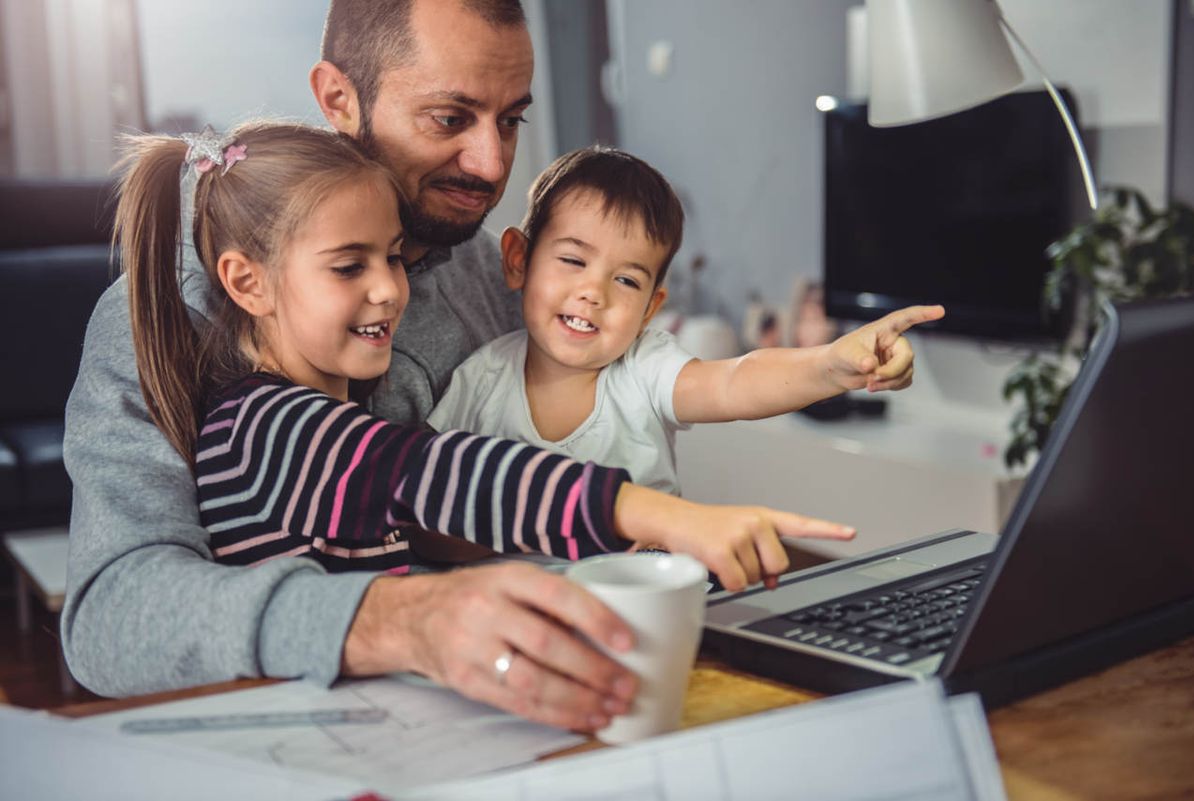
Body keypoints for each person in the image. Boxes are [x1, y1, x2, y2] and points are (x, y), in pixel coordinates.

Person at [61, 0, 854, 731]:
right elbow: (109, 619)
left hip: (496, 709)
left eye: (511, 120)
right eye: (450, 117)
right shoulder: (178, 316)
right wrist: (403, 619)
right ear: (338, 97)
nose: (489, 163)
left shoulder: (491, 276)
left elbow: (546, 456)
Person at [428, 147, 946, 494]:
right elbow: (424, 500)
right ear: (518, 260)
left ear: (651, 308)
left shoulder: (644, 367)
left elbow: (733, 382)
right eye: (573, 260)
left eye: (626, 281)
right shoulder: (479, 382)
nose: (593, 293)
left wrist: (833, 364)